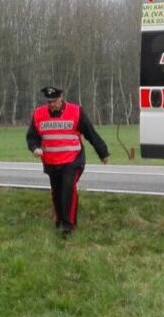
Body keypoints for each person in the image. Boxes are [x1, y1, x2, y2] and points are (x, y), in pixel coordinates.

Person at [26, 86, 110, 237]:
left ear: (61, 98)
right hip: (51, 161)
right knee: (56, 191)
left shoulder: (76, 111)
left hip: (73, 159)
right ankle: (59, 219)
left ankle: (68, 225)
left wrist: (102, 152)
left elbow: (91, 133)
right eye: (49, 101)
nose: (52, 104)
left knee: (68, 189)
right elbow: (32, 136)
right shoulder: (38, 114)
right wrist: (35, 148)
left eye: (55, 101)